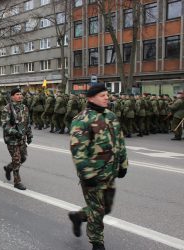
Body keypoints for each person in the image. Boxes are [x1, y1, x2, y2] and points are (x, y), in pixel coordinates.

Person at [68, 84, 128, 250]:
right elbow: (78, 151)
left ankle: (79, 216)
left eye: (107, 95)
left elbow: (120, 141)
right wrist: (87, 175)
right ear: (91, 98)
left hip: (111, 172)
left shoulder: (111, 116)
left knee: (106, 208)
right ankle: (97, 243)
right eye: (103, 95)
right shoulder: (82, 119)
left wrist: (123, 164)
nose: (107, 98)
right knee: (97, 210)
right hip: (93, 174)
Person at [1, 88, 33, 190]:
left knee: (23, 158)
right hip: (12, 139)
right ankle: (17, 181)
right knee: (16, 159)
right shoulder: (7, 109)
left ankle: (8, 168)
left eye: (20, 94)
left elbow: (27, 123)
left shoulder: (25, 108)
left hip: (22, 139)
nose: (20, 96)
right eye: (17, 94)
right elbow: (5, 125)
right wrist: (15, 132)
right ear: (12, 97)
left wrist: (29, 135)